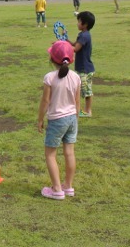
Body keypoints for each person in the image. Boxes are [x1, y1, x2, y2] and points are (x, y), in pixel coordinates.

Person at [37, 40, 80, 200]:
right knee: (69, 152)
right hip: (71, 119)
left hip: (57, 120)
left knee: (50, 154)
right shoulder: (76, 77)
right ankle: (68, 186)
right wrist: (75, 118)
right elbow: (77, 101)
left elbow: (45, 101)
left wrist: (40, 119)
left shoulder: (50, 78)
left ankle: (56, 189)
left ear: (51, 59)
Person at [69, 11, 96, 117]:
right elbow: (74, 44)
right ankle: (82, 110)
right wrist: (65, 40)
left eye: (79, 21)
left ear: (85, 24)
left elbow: (75, 49)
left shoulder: (84, 36)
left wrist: (63, 47)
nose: (77, 23)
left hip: (85, 69)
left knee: (86, 91)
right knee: (83, 89)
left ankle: (88, 111)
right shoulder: (82, 35)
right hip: (84, 68)